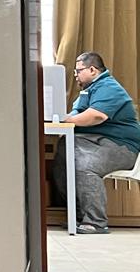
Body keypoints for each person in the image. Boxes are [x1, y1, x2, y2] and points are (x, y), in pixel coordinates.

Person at [56, 51, 140, 234]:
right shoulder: (88, 90)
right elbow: (77, 112)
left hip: (122, 146)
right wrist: (64, 119)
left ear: (93, 70)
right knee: (63, 155)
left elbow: (96, 116)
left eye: (78, 71)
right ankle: (79, 215)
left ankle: (96, 222)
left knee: (85, 165)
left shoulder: (109, 87)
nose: (76, 75)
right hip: (98, 142)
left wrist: (65, 120)